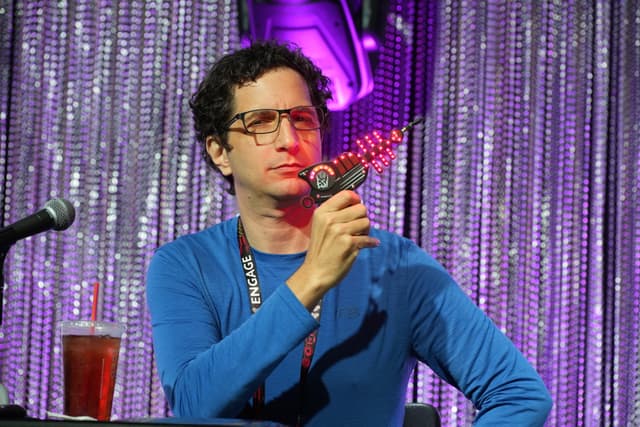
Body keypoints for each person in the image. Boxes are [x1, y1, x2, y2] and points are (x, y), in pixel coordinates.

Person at [146, 40, 552, 426]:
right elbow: (192, 403)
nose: (289, 140)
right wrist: (312, 278)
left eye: (302, 119)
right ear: (220, 152)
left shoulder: (395, 265)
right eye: (262, 122)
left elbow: (519, 393)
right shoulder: (186, 265)